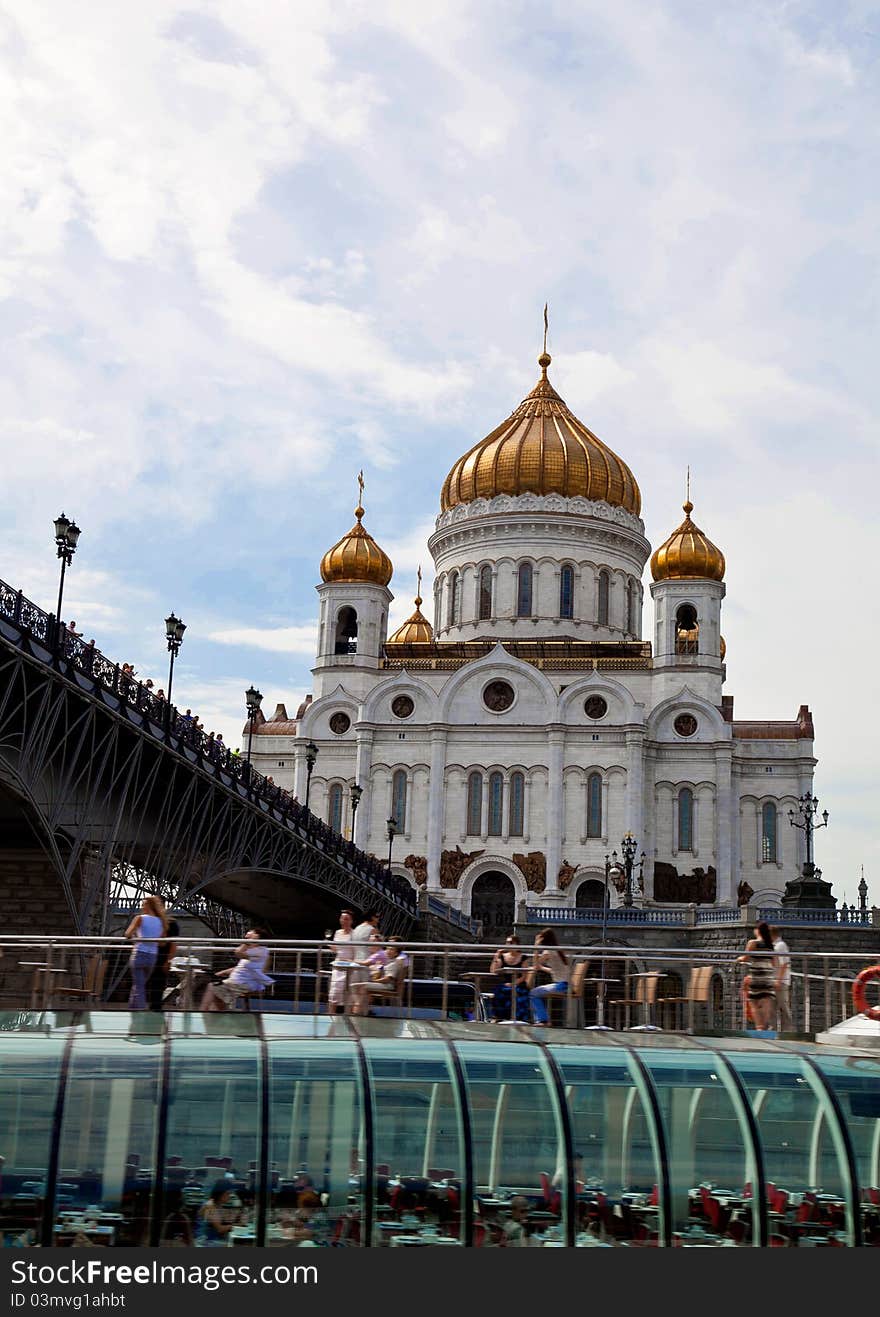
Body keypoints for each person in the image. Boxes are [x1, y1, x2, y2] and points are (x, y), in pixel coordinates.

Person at [200, 928, 274, 1011]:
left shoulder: (260, 951)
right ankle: (216, 1015)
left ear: (258, 937)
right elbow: (239, 968)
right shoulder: (252, 951)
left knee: (212, 988)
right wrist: (219, 973)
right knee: (215, 994)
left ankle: (203, 1012)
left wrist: (247, 942)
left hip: (244, 983)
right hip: (238, 981)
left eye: (250, 934)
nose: (246, 936)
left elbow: (238, 952)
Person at [124, 895, 167, 1009]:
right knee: (139, 984)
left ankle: (140, 1012)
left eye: (143, 904)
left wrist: (136, 936)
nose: (141, 907)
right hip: (152, 957)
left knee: (139, 987)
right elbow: (162, 942)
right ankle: (132, 1012)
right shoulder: (161, 921)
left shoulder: (140, 918)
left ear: (148, 906)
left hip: (139, 954)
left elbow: (127, 934)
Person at [737, 921, 777, 1032]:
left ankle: (759, 1027)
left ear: (757, 930)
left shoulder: (753, 943)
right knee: (766, 1000)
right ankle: (765, 1026)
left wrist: (739, 959)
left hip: (756, 976)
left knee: (753, 1001)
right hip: (768, 977)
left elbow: (745, 958)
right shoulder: (771, 945)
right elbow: (774, 962)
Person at [351, 938, 406, 1016]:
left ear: (396, 953)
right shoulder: (389, 961)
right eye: (387, 949)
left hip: (387, 986)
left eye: (391, 950)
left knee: (359, 986)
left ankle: (358, 1008)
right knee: (356, 986)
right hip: (383, 984)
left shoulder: (394, 963)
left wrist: (375, 981)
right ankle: (360, 1007)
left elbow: (388, 979)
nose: (388, 951)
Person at [528, 928, 570, 1025]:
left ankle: (542, 1020)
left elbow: (535, 964)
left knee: (533, 993)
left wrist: (536, 946)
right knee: (536, 992)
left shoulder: (548, 952)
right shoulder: (558, 950)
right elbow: (555, 970)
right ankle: (543, 1019)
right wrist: (542, 968)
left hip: (561, 986)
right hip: (566, 984)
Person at [490, 935, 530, 1022]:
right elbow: (493, 971)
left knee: (520, 994)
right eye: (507, 942)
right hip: (506, 984)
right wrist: (496, 956)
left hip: (519, 983)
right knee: (498, 992)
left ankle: (519, 1019)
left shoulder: (523, 957)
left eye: (511, 942)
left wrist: (514, 983)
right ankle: (498, 1017)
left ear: (517, 944)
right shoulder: (503, 956)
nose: (508, 944)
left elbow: (524, 976)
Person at [147, 917, 180, 1011]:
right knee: (155, 986)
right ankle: (154, 1008)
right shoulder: (158, 922)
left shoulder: (171, 924)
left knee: (158, 985)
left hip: (161, 958)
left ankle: (155, 1008)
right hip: (154, 957)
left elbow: (172, 944)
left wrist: (168, 960)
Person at [328, 910, 355, 1014]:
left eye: (347, 919)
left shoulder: (354, 934)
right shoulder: (338, 932)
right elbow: (337, 949)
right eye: (342, 918)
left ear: (351, 921)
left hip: (349, 966)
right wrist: (329, 944)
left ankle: (350, 1019)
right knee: (334, 991)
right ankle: (330, 1017)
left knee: (347, 993)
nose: (344, 921)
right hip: (338, 964)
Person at [770, 925, 793, 1031]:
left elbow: (784, 964)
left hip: (781, 981)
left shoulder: (780, 945)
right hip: (775, 980)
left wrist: (778, 980)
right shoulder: (774, 945)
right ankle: (772, 1029)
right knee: (772, 1007)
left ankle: (787, 1030)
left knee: (783, 1007)